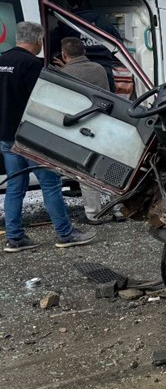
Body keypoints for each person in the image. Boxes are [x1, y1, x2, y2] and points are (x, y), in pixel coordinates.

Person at [1, 22, 95, 252]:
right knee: (50, 185)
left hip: (5, 135)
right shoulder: (32, 65)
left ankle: (14, 238)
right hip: (31, 136)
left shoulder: (2, 60)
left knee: (15, 187)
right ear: (37, 41)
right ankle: (65, 233)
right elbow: (44, 100)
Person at [58, 37, 125, 224]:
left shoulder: (64, 73)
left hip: (81, 128)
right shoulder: (99, 69)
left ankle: (93, 214)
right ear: (84, 52)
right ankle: (119, 210)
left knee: (86, 170)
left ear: (64, 54)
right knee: (111, 168)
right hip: (103, 123)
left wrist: (58, 70)